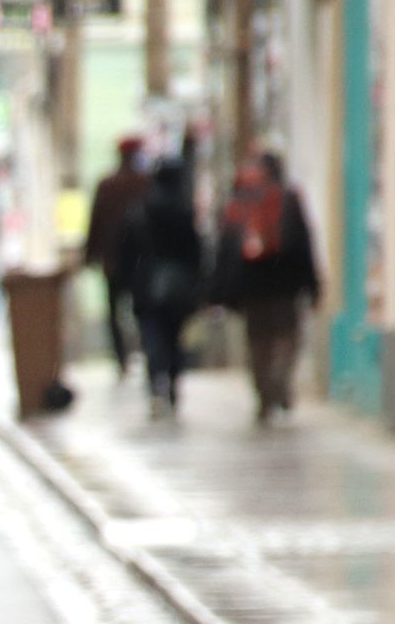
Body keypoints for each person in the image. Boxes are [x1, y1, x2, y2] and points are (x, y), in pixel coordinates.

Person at [212, 151, 323, 423]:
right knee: (287, 337)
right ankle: (280, 383)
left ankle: (264, 395)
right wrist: (312, 285)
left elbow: (225, 249)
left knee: (257, 342)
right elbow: (305, 245)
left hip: (251, 288)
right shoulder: (289, 199)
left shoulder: (240, 202)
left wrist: (223, 291)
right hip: (285, 285)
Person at [116, 157, 203, 418]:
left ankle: (156, 384)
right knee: (175, 337)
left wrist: (127, 282)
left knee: (152, 336)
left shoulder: (140, 210)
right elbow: (195, 252)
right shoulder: (184, 212)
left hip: (146, 286)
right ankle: (174, 384)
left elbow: (127, 250)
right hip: (178, 287)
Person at [83, 135, 153, 378]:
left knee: (115, 312)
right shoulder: (146, 183)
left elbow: (96, 222)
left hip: (113, 261)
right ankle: (146, 353)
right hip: (142, 261)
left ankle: (122, 358)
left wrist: (91, 255)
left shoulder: (108, 185)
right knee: (141, 310)